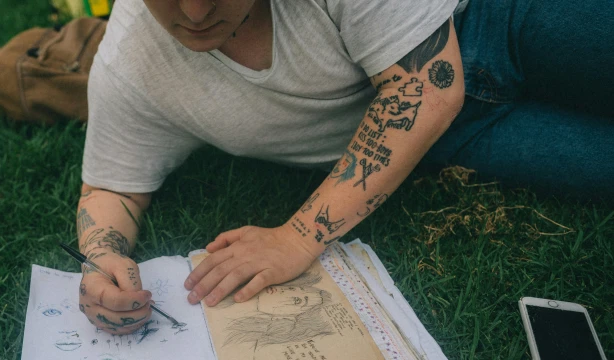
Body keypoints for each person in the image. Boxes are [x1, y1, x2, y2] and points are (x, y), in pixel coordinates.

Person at [75, 0, 613, 335]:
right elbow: (110, 187)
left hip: (496, 16)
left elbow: (424, 85)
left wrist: (297, 238)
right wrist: (102, 260)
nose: (193, 12)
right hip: (455, 140)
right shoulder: (132, 59)